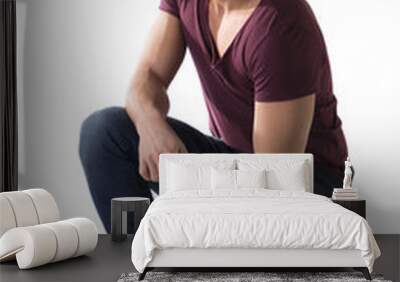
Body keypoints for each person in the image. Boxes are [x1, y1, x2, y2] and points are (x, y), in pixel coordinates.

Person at [79, 0, 348, 232]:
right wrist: (151, 125)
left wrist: (191, 200)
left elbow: (275, 179)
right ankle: (139, 262)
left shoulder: (281, 27)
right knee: (105, 132)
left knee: (249, 226)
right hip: (234, 163)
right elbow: (148, 77)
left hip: (308, 183)